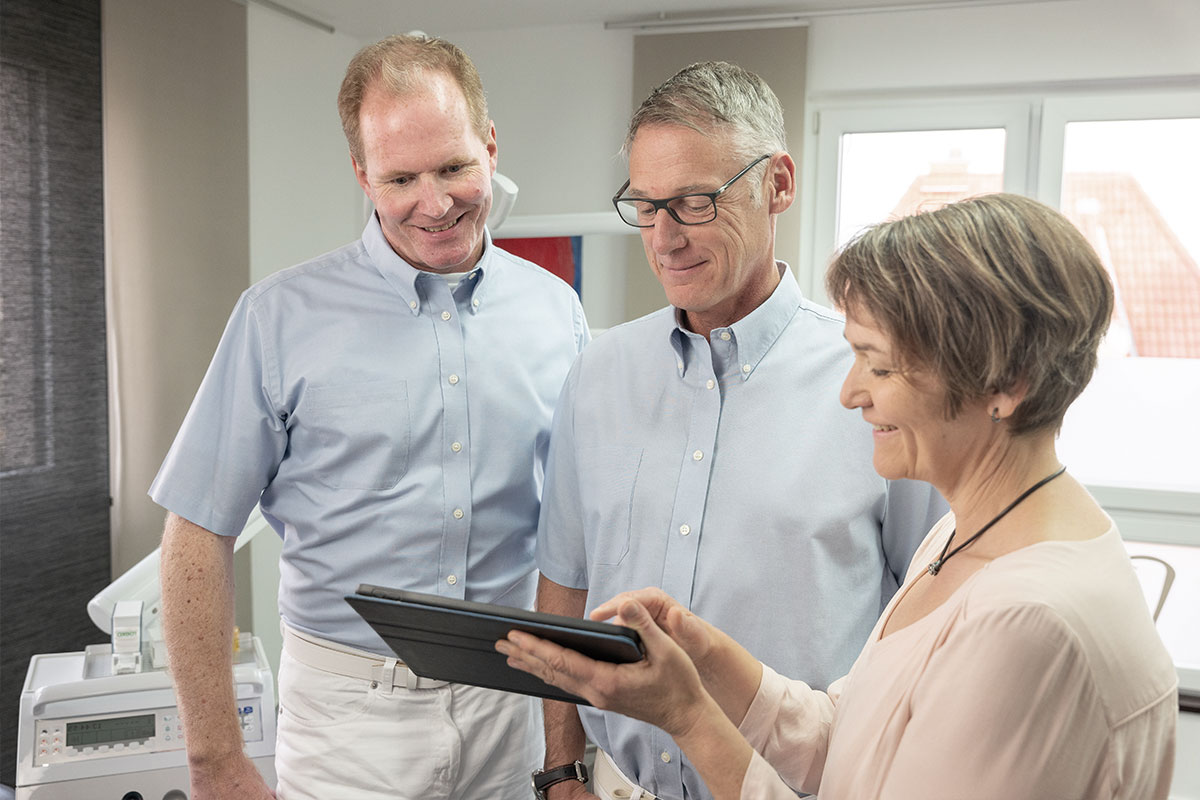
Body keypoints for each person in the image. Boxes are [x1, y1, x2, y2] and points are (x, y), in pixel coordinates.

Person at [500, 192, 1179, 800]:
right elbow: (857, 741)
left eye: (880, 365)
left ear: (1008, 383)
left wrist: (689, 717)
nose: (851, 393)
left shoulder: (1028, 624)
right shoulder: (965, 537)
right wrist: (708, 656)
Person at [151, 34, 589, 800]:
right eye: (401, 177)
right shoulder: (277, 319)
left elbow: (574, 535)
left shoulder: (559, 313)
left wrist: (565, 753)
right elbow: (196, 531)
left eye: (454, 166)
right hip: (349, 717)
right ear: (363, 175)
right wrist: (214, 759)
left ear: (489, 146)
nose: (436, 202)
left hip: (510, 704)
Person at [532, 61, 945, 800]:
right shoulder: (597, 375)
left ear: (778, 184)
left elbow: (934, 617)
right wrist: (561, 773)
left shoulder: (875, 380)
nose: (664, 239)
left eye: (695, 202)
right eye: (646, 206)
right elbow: (564, 585)